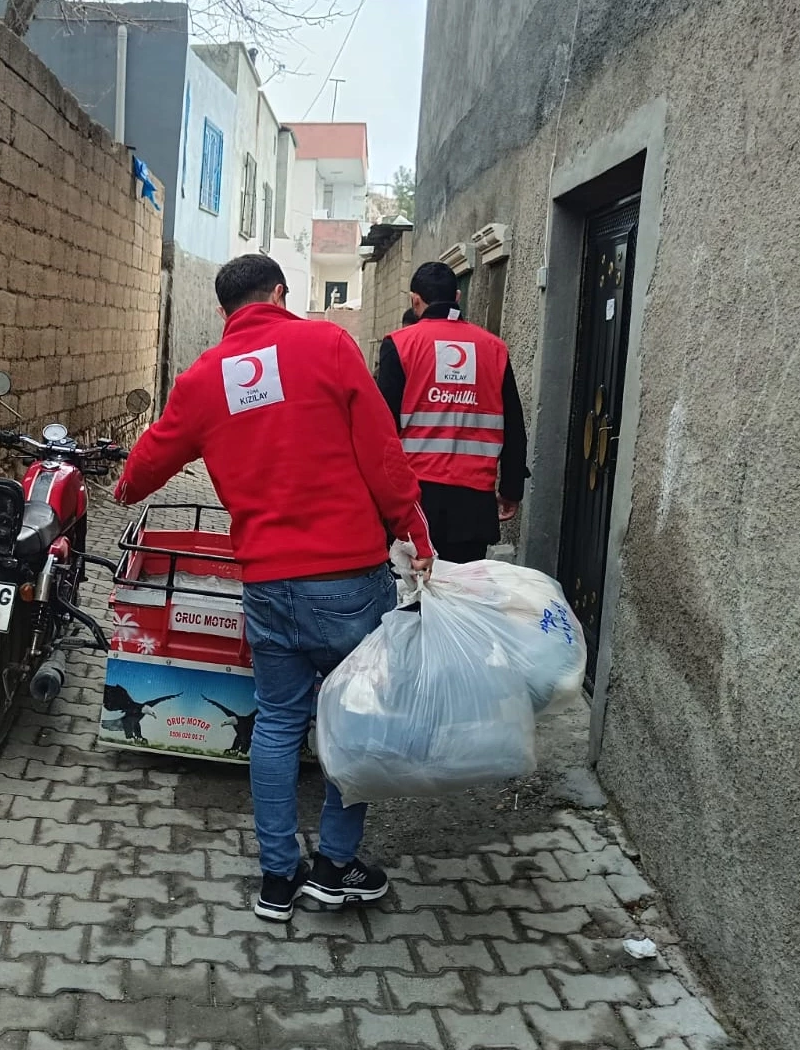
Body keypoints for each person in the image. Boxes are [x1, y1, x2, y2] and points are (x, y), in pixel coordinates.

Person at [115, 254, 434, 923]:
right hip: (348, 576)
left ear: (226, 309)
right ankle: (335, 866)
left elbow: (149, 459)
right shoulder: (325, 343)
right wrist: (412, 525)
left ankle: (276, 880)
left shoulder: (205, 378)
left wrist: (122, 488)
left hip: (266, 582)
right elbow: (382, 452)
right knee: (352, 718)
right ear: (280, 293)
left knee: (279, 720)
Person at [376, 261, 526, 564]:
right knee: (463, 597)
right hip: (473, 505)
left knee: (410, 595)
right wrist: (511, 488)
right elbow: (513, 423)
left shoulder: (400, 345)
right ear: (457, 297)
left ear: (414, 300)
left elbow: (382, 429)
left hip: (415, 501)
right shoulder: (493, 348)